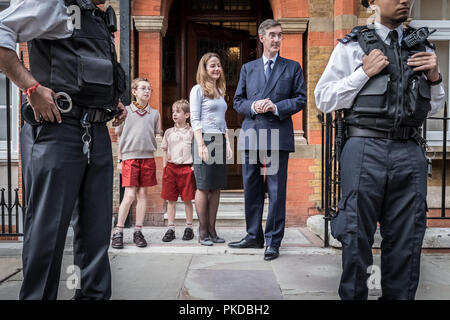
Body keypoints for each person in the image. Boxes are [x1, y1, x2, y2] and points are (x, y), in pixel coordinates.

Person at [314, 0, 445, 300]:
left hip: (409, 150)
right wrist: (363, 73)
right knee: (355, 236)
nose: (405, 0)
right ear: (372, 1)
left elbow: (435, 106)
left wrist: (435, 77)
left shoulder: (423, 48)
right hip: (363, 148)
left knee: (407, 239)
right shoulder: (351, 46)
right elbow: (323, 98)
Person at [0, 0, 126, 299]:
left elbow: (87, 67)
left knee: (96, 235)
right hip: (57, 131)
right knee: (48, 233)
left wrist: (110, 101)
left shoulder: (96, 16)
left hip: (95, 130)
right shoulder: (54, 4)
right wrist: (31, 88)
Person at [229, 19, 307, 261]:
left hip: (276, 135)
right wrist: (253, 106)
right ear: (261, 38)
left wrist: (276, 106)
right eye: (272, 35)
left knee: (275, 190)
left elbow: (300, 99)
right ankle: (253, 235)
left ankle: (273, 241)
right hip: (252, 133)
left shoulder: (292, 67)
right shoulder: (248, 69)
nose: (276, 39)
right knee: (251, 187)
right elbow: (237, 101)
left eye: (280, 35)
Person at [112, 78, 162, 249]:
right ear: (134, 92)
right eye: (143, 88)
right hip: (129, 158)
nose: (147, 91)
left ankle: (138, 231)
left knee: (142, 195)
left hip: (147, 158)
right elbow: (119, 136)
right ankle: (118, 231)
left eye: (149, 89)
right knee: (130, 194)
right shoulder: (125, 111)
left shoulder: (155, 114)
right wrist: (120, 159)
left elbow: (156, 135)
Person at [190, 52, 233, 246]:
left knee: (216, 187)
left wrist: (228, 142)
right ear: (205, 69)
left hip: (219, 140)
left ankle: (213, 230)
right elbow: (195, 118)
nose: (216, 68)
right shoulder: (197, 90)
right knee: (203, 186)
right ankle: (202, 231)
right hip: (204, 139)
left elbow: (222, 120)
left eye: (218, 65)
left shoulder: (220, 90)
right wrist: (200, 145)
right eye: (212, 66)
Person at [160, 99, 196, 242]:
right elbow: (164, 150)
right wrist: (164, 166)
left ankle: (189, 228)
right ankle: (171, 228)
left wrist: (193, 167)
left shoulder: (192, 132)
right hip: (171, 168)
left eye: (178, 112)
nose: (174, 114)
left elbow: (196, 150)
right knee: (171, 200)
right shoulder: (169, 132)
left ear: (187, 115)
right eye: (173, 111)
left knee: (188, 200)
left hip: (186, 168)